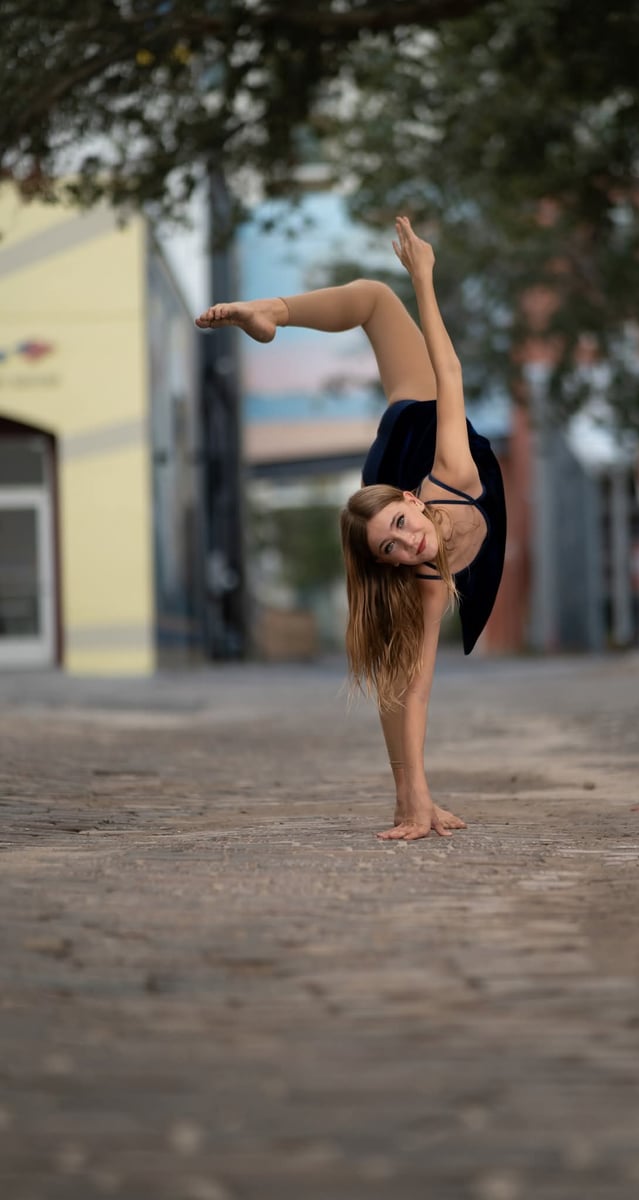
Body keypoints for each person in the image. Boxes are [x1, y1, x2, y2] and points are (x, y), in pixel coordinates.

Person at [196, 216, 506, 841]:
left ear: (414, 504)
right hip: (379, 496)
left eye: (400, 528)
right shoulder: (417, 573)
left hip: (411, 429)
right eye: (392, 550)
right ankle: (405, 797)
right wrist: (414, 799)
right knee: (402, 663)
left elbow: (450, 378)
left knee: (374, 297)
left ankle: (269, 312)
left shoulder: (450, 468)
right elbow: (410, 691)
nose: (406, 545)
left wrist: (423, 277)